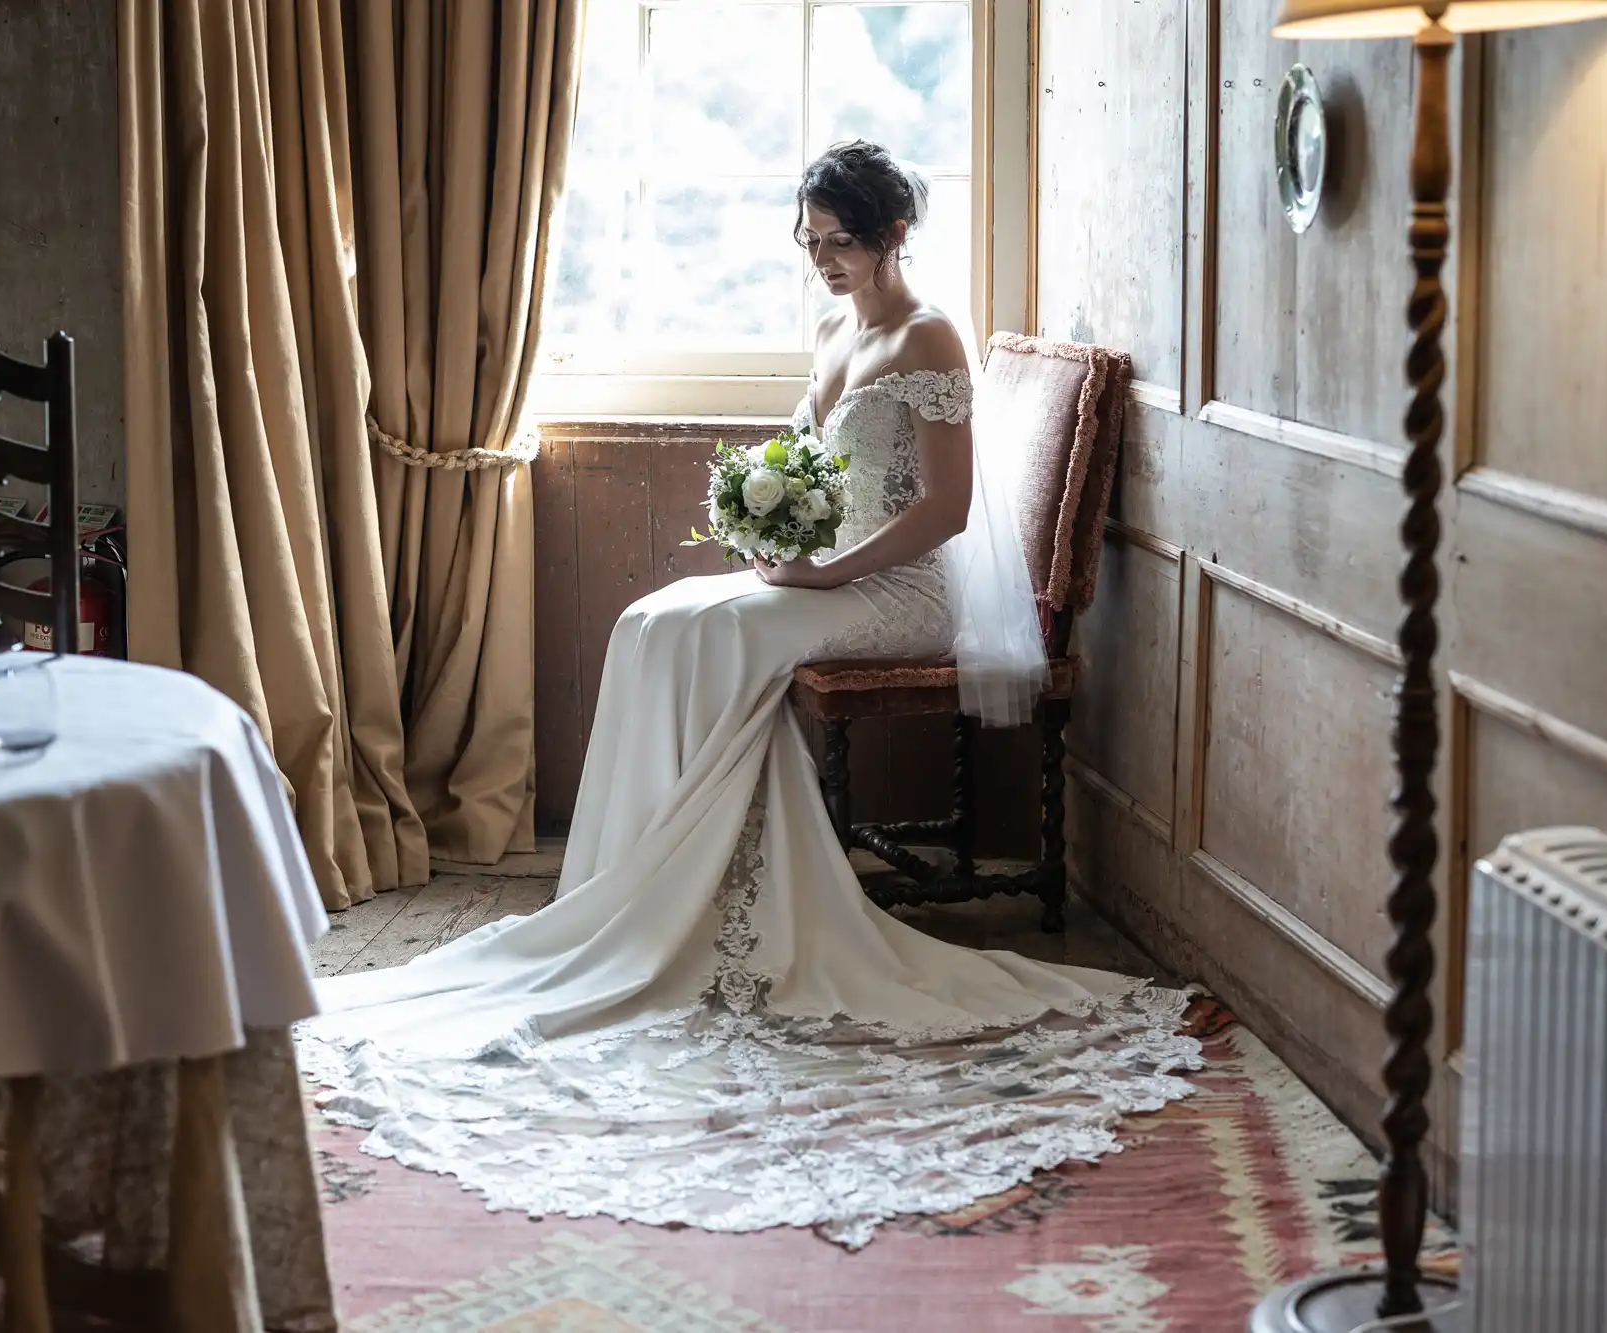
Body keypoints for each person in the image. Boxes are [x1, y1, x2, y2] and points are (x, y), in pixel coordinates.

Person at [297, 140, 1199, 1249]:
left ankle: (710, 900)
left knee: (718, 631)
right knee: (650, 622)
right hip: (822, 572)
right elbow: (813, 469)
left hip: (901, 588)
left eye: (839, 240)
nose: (821, 259)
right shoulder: (829, 328)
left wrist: (821, 569)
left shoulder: (929, 338)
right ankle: (636, 887)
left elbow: (949, 512)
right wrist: (765, 524)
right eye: (809, 240)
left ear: (892, 234)